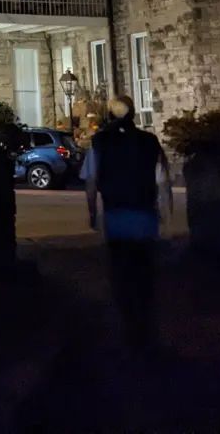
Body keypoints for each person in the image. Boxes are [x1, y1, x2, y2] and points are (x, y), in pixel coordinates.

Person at [82, 95, 173, 351]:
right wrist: (167, 216)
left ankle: (129, 329)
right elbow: (162, 182)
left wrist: (92, 214)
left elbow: (91, 182)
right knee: (144, 275)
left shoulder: (99, 143)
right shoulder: (149, 142)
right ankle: (146, 330)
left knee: (121, 274)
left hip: (116, 215)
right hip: (144, 215)